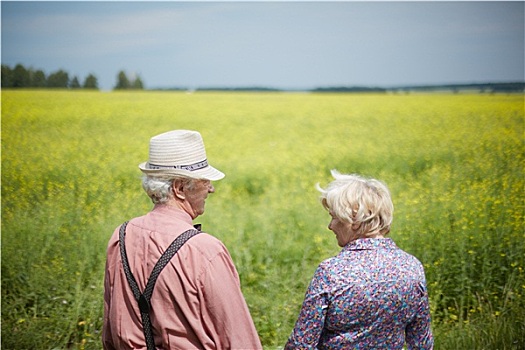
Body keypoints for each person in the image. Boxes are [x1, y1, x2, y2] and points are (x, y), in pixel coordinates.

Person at [103, 130, 262, 350]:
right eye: (205, 181)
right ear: (179, 188)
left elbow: (110, 332)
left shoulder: (121, 235)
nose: (211, 189)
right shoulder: (204, 250)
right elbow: (239, 339)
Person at [285, 170, 433, 349]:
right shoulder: (412, 267)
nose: (330, 226)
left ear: (354, 220)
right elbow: (422, 343)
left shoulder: (331, 272)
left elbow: (302, 344)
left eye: (334, 217)